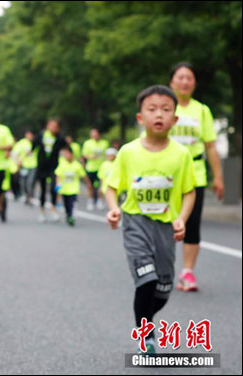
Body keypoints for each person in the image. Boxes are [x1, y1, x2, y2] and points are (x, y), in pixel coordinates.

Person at [105, 85, 196, 355]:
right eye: (152, 109)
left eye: (166, 110)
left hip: (166, 227)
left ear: (175, 119)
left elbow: (189, 192)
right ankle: (146, 335)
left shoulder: (181, 155)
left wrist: (181, 219)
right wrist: (113, 209)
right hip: (136, 223)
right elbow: (112, 187)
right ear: (140, 118)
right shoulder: (128, 152)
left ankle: (145, 315)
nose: (159, 115)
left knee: (163, 288)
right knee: (146, 280)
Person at [169, 62, 224, 292]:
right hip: (166, 174)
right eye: (180, 77)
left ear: (194, 83)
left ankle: (187, 272)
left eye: (189, 78)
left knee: (192, 225)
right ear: (171, 82)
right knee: (162, 222)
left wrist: (218, 177)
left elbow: (210, 146)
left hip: (195, 175)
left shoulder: (202, 111)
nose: (184, 82)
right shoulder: (165, 107)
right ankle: (158, 268)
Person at [31, 118, 67, 222]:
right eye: (51, 126)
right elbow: (33, 146)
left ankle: (53, 209)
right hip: (42, 166)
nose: (53, 128)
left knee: (53, 188)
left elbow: (66, 149)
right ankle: (42, 211)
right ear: (47, 126)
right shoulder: (41, 135)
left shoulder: (60, 138)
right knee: (42, 189)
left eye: (55, 127)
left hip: (54, 167)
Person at [55, 145, 91, 226]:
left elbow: (84, 175)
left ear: (71, 154)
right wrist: (58, 184)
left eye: (67, 154)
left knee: (72, 203)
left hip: (74, 188)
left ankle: (71, 216)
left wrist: (88, 183)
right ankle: (68, 215)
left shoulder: (77, 165)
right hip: (64, 189)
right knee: (67, 204)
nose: (66, 156)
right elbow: (58, 174)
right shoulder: (62, 164)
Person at [83, 128, 109, 211]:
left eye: (95, 134)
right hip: (90, 168)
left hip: (101, 168)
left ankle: (99, 200)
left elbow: (107, 155)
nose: (94, 136)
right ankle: (90, 200)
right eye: (92, 134)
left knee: (100, 186)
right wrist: (91, 157)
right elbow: (84, 154)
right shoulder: (87, 143)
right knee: (90, 185)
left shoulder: (104, 143)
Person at [12, 130, 37, 206]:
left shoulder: (35, 143)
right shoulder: (22, 143)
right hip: (24, 166)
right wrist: (18, 162)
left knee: (30, 182)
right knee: (23, 183)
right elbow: (15, 153)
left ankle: (30, 197)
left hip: (33, 166)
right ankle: (26, 196)